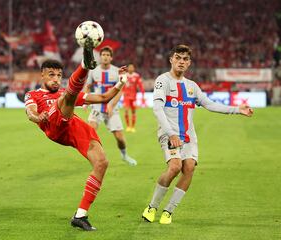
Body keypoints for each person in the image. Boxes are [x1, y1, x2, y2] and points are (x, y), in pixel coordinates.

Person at [142, 44, 253, 224]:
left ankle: (168, 211)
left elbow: (210, 104)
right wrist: (171, 133)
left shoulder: (192, 86)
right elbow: (157, 109)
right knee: (175, 166)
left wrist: (237, 109)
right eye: (178, 57)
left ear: (189, 63)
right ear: (171, 59)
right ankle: (152, 207)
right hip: (169, 133)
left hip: (188, 135)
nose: (181, 61)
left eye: (185, 59)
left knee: (189, 168)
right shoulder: (162, 81)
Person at [25, 38, 129, 231]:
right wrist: (39, 117)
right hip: (54, 125)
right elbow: (30, 112)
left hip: (74, 128)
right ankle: (84, 64)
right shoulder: (34, 95)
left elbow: (104, 98)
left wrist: (121, 82)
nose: (56, 78)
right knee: (67, 97)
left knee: (102, 163)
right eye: (51, 75)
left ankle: (80, 215)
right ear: (42, 75)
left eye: (58, 75)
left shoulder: (65, 93)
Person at [84, 46, 137, 166]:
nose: (105, 57)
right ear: (100, 56)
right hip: (97, 107)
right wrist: (85, 100)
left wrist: (112, 105)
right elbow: (87, 86)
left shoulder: (117, 71)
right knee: (90, 132)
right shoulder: (93, 71)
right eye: (103, 55)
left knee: (120, 138)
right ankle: (94, 158)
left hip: (112, 109)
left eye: (108, 55)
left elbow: (120, 90)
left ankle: (124, 155)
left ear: (111, 58)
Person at [122, 63, 145, 133]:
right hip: (126, 97)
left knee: (133, 112)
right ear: (127, 68)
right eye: (130, 67)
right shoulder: (124, 76)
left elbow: (140, 86)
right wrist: (122, 92)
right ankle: (128, 126)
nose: (131, 68)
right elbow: (121, 85)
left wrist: (143, 95)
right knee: (126, 111)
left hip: (133, 97)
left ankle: (133, 127)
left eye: (132, 67)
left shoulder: (136, 76)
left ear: (134, 68)